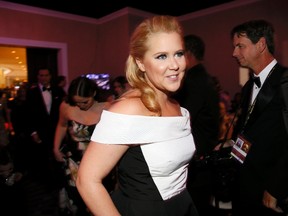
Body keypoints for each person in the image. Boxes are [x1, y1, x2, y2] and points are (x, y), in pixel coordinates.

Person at [76, 15, 199, 216]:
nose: (175, 65)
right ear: (140, 63)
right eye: (161, 56)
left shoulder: (179, 108)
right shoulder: (127, 110)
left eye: (178, 53)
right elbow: (87, 180)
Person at [230, 19, 288, 216]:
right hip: (245, 182)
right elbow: (250, 128)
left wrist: (276, 188)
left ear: (261, 44)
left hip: (270, 186)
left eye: (240, 46)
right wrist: (230, 143)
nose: (234, 53)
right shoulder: (248, 86)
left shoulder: (285, 81)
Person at [173, 34, 220, 215]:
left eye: (179, 54)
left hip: (197, 158)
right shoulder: (203, 77)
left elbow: (182, 119)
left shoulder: (192, 81)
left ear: (188, 53)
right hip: (203, 153)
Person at [53, 76, 112, 215]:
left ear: (94, 94)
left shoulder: (108, 108)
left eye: (85, 101)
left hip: (99, 160)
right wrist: (55, 148)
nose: (81, 106)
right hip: (74, 160)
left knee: (98, 197)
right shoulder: (66, 106)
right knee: (76, 195)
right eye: (77, 102)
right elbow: (61, 126)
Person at [26, 68, 64, 187]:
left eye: (46, 75)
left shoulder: (59, 90)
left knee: (57, 154)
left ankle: (59, 182)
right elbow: (28, 114)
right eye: (41, 75)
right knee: (42, 157)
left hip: (56, 129)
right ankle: (46, 182)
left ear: (50, 76)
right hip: (40, 130)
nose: (44, 78)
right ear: (38, 77)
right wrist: (33, 132)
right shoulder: (31, 93)